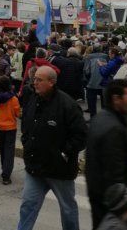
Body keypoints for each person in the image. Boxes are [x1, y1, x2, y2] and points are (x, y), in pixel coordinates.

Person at [17, 65, 87, 230]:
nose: (35, 83)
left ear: (51, 82)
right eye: (34, 79)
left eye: (39, 80)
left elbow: (81, 136)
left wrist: (63, 153)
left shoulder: (67, 105)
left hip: (59, 170)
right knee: (28, 205)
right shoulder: (33, 99)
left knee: (67, 209)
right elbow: (26, 124)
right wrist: (26, 143)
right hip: (35, 167)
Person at [86, 79, 127, 229]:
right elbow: (114, 177)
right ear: (116, 99)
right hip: (113, 208)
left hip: (100, 201)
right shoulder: (114, 130)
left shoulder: (102, 117)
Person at [0, 76, 20, 184]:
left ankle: (4, 168)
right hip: (11, 127)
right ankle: (6, 174)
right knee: (9, 150)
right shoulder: (13, 99)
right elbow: (18, 113)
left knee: (2, 149)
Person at [84, 43, 108, 119]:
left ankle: (93, 118)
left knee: (91, 102)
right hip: (104, 83)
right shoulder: (106, 56)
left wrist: (88, 80)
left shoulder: (89, 57)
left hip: (92, 83)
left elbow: (86, 71)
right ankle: (104, 118)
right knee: (104, 103)